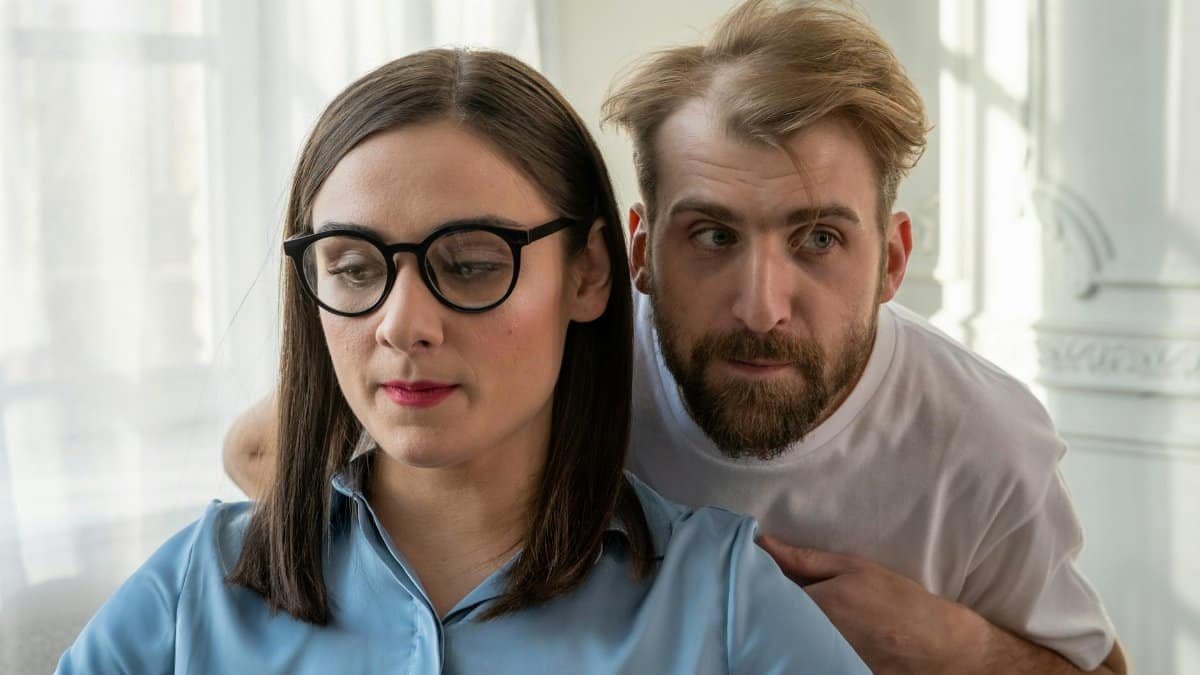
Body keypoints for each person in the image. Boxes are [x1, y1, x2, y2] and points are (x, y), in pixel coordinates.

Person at [224, 1, 1127, 673]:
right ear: (640, 255)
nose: (761, 306)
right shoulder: (555, 358)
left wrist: (954, 647)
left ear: (892, 262)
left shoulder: (982, 439)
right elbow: (268, 451)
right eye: (714, 236)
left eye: (818, 239)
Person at [57, 48, 869, 674]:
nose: (403, 323)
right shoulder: (192, 591)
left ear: (589, 271)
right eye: (354, 267)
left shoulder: (721, 605)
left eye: (472, 263)